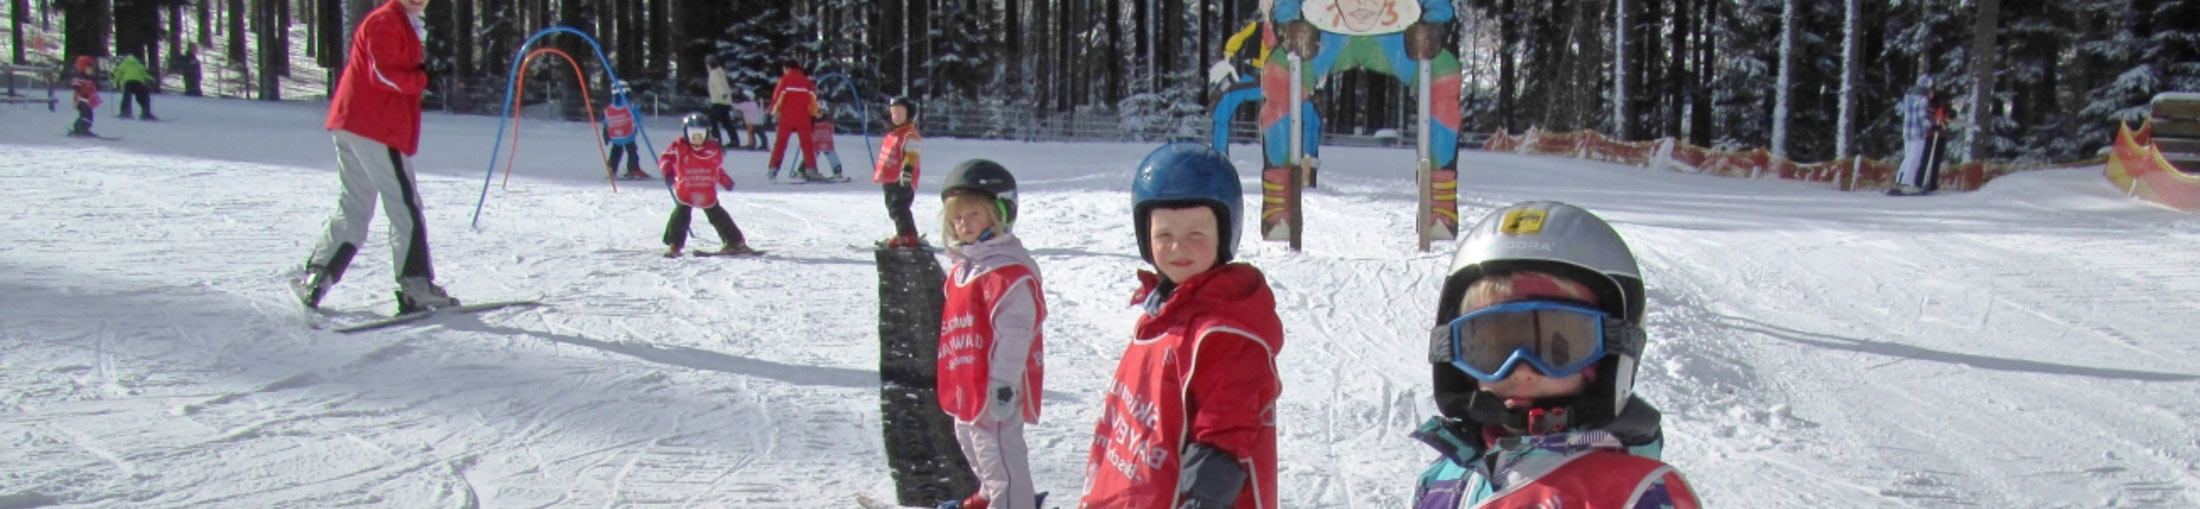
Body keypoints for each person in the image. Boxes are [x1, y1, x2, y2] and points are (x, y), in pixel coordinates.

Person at [1410, 201, 1701, 508]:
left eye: (1557, 348)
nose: (1521, 369)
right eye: (1492, 347)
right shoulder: (1443, 479)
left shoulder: (1636, 492)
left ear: (1611, 356)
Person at [1080, 143, 1283, 509]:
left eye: (1196, 234)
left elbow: (1224, 429)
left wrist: (1203, 499)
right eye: (1164, 235)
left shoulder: (1225, 332)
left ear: (1224, 234)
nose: (1178, 247)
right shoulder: (1164, 313)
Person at [292, 0, 460, 314]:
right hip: (374, 126)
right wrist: (423, 79)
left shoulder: (403, 23)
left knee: (355, 206)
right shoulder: (386, 20)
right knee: (404, 204)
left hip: (357, 122)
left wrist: (422, 73)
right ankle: (416, 286)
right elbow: (382, 74)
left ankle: (317, 276)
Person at [935, 160, 1047, 509]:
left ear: (999, 214)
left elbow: (1015, 331)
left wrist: (1003, 382)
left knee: (998, 450)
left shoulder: (1006, 272)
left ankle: (1013, 501)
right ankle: (990, 495)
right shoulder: (964, 268)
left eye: (973, 215)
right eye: (956, 218)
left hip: (997, 385)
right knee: (969, 439)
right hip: (968, 381)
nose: (963, 224)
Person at [659, 113, 755, 257]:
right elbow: (666, 157)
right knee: (680, 216)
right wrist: (668, 172)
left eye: (700, 135)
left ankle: (734, 241)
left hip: (705, 189)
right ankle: (674, 244)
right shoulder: (679, 147)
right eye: (693, 135)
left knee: (718, 215)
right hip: (687, 188)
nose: (697, 139)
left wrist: (725, 181)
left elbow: (715, 168)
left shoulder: (711, 150)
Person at [874, 96, 923, 248]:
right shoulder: (893, 134)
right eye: (894, 113)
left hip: (901, 179)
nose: (896, 117)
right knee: (893, 207)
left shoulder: (910, 134)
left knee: (899, 206)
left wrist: (907, 169)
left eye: (900, 113)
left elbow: (912, 154)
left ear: (909, 114)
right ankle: (905, 232)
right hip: (889, 178)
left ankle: (907, 235)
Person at [765, 58, 818, 181]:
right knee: (807, 145)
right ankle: (811, 169)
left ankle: (773, 169)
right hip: (803, 117)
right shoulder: (806, 82)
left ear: (788, 68)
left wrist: (773, 111)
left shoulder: (785, 80)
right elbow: (813, 100)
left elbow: (777, 98)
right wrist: (815, 114)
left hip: (787, 117)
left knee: (780, 144)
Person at [1892, 74, 1936, 195]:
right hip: (1918, 133)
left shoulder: (1909, 97)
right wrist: (1931, 125)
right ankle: (1908, 183)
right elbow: (1922, 116)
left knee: (1908, 156)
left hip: (1907, 132)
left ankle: (1899, 181)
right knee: (1915, 158)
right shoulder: (1923, 98)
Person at [601, 81, 649, 179]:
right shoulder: (630, 106)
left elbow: (606, 121)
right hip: (628, 134)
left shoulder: (609, 108)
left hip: (615, 136)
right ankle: (633, 169)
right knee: (632, 150)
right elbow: (637, 117)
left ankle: (612, 169)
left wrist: (605, 132)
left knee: (616, 150)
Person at [704, 55, 741, 147]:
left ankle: (716, 140)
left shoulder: (714, 73)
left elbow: (719, 85)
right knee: (726, 122)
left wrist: (723, 94)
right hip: (725, 101)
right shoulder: (720, 72)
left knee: (712, 119)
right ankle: (734, 140)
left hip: (719, 101)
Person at [111, 53, 156, 120]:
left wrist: (113, 82)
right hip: (139, 83)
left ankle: (125, 112)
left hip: (128, 83)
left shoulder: (123, 65)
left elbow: (118, 75)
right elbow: (146, 75)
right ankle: (146, 112)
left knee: (126, 98)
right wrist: (152, 79)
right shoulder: (139, 65)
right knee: (143, 98)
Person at [807, 103, 844, 180]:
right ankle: (803, 171)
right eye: (816, 112)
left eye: (820, 112)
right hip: (815, 145)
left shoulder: (828, 122)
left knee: (833, 157)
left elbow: (834, 129)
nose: (818, 114)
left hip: (827, 144)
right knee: (810, 157)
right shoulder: (811, 122)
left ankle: (837, 172)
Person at [66, 56, 102, 137]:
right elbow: (77, 89)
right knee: (86, 114)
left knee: (87, 114)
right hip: (82, 100)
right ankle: (81, 128)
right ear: (83, 68)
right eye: (89, 68)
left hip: (87, 101)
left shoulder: (88, 78)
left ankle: (81, 127)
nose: (91, 71)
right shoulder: (80, 78)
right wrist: (76, 101)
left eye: (92, 69)